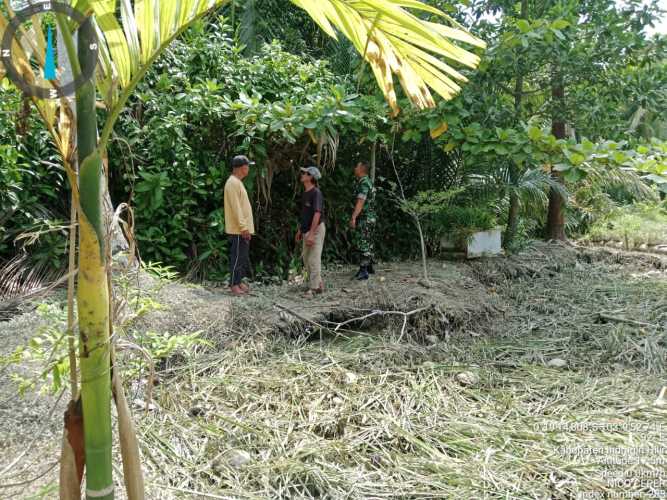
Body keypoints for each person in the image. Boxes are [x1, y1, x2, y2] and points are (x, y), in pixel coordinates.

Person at [224, 155, 255, 296]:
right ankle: (234, 284)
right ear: (243, 167)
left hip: (242, 229)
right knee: (236, 257)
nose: (248, 168)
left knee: (242, 256)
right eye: (248, 166)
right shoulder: (232, 183)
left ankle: (239, 281)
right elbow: (236, 208)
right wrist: (243, 227)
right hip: (238, 230)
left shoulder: (238, 182)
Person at [295, 166, 326, 297]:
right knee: (307, 259)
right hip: (307, 230)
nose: (302, 174)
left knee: (313, 259)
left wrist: (312, 234)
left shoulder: (316, 193)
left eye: (305, 173)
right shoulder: (306, 193)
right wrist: (300, 230)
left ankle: (313, 289)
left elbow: (317, 214)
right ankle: (318, 284)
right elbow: (305, 214)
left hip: (316, 229)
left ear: (311, 177)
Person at [349, 161, 376, 280]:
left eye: (356, 166)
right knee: (368, 241)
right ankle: (369, 267)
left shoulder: (364, 183)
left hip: (365, 217)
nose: (355, 168)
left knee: (363, 242)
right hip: (371, 217)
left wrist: (354, 217)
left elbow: (361, 202)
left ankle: (364, 270)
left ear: (361, 168)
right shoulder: (369, 182)